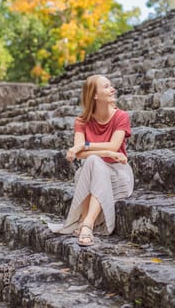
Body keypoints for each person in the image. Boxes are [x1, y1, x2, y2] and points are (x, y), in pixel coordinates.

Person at [48, 75, 134, 246]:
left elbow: (114, 146)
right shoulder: (81, 122)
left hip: (118, 175)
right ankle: (87, 223)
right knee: (93, 162)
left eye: (111, 86)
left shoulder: (121, 116)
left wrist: (85, 145)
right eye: (106, 86)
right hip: (93, 171)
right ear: (95, 95)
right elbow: (80, 155)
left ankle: (86, 223)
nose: (112, 89)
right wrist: (100, 151)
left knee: (93, 160)